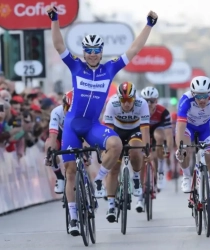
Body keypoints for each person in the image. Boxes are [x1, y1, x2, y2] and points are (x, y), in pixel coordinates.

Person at [47, 5, 158, 236]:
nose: (92, 54)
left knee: (116, 145)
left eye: (96, 50)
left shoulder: (110, 68)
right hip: (72, 125)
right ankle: (74, 216)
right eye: (89, 50)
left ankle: (99, 180)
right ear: (85, 51)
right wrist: (55, 18)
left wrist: (149, 25)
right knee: (70, 171)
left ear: (101, 51)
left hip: (92, 126)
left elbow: (134, 49)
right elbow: (59, 45)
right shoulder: (76, 65)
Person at [175, 76, 210, 224]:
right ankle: (186, 176)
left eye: (205, 95)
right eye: (199, 96)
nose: (203, 99)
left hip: (207, 127)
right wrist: (180, 147)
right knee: (185, 150)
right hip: (188, 127)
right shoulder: (185, 100)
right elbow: (180, 127)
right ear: (193, 93)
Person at [101, 82, 150, 220]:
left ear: (135, 98)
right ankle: (111, 205)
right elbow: (108, 131)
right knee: (113, 168)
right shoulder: (112, 103)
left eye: (129, 100)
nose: (127, 104)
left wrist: (146, 149)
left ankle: (135, 178)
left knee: (135, 151)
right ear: (118, 99)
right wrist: (107, 150)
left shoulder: (142, 104)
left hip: (135, 130)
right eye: (123, 100)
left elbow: (145, 130)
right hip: (116, 131)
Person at [140, 86, 173, 191]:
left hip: (156, 129)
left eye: (152, 101)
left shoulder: (163, 112)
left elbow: (168, 134)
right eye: (146, 101)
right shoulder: (138, 111)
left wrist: (168, 149)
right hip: (142, 130)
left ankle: (161, 171)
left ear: (156, 101)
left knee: (159, 136)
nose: (149, 104)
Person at [44, 91, 73, 193]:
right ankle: (60, 177)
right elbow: (53, 134)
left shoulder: (82, 112)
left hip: (76, 136)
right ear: (63, 104)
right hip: (60, 136)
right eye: (67, 108)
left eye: (72, 109)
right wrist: (49, 153)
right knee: (48, 146)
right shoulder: (56, 112)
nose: (68, 112)